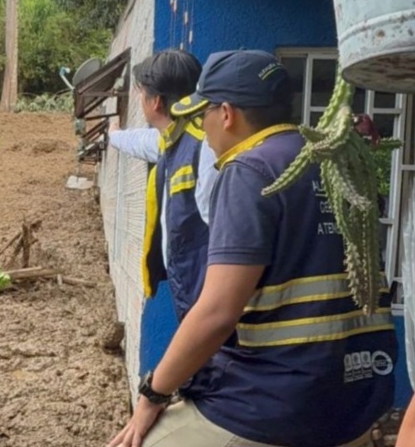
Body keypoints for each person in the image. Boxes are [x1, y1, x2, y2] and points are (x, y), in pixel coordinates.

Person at [108, 49, 398, 447]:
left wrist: (152, 395)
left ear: (226, 114)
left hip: (279, 405)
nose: (203, 130)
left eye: (203, 115)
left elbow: (216, 313)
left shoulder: (249, 170)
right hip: (359, 400)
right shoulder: (334, 158)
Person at [108, 49, 217, 322]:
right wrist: (114, 135)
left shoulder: (205, 146)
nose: (139, 98)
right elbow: (144, 142)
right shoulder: (172, 140)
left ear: (155, 102)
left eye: (141, 92)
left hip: (209, 295)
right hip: (190, 288)